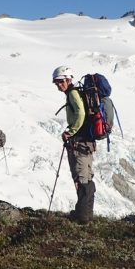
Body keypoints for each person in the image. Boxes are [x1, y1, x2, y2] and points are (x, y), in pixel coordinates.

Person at [52, 65, 95, 223]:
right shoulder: (76, 92)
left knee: (81, 179)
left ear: (68, 79)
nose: (58, 84)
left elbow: (81, 113)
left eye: (61, 81)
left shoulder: (73, 93)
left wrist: (71, 131)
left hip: (80, 143)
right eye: (56, 82)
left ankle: (82, 218)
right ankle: (86, 214)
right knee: (87, 178)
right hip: (87, 142)